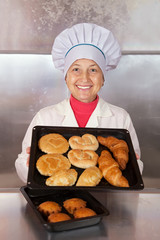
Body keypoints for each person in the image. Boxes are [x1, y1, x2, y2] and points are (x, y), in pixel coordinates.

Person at [15, 23, 143, 183]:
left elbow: (137, 165)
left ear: (103, 79)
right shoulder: (45, 117)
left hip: (109, 200)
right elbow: (21, 163)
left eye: (93, 70)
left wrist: (133, 164)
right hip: (58, 197)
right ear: (66, 77)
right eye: (76, 69)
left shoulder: (120, 117)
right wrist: (30, 164)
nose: (84, 78)